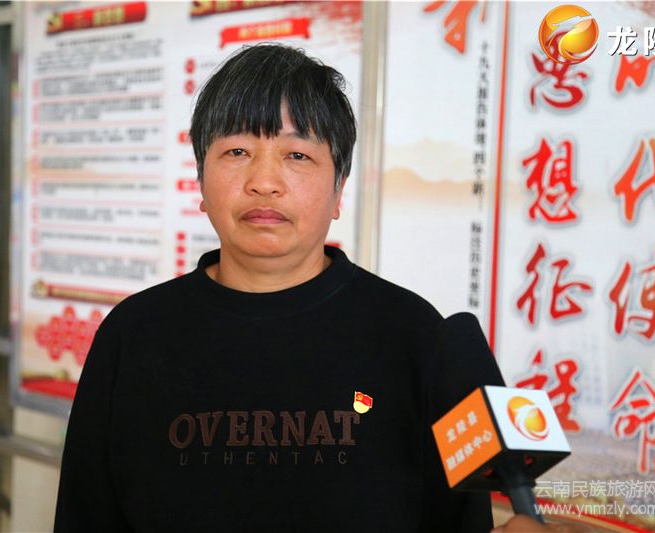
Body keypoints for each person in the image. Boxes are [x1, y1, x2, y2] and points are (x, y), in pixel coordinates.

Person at [54, 44, 496, 532]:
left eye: (298, 154)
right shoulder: (133, 334)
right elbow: (84, 514)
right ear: (200, 180)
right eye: (237, 151)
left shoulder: (412, 334)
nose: (264, 181)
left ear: (339, 189)